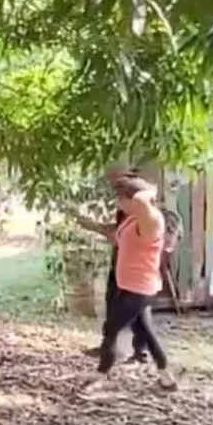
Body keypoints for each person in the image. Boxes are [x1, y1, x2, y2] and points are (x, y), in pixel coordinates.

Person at [88, 177, 176, 390]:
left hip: (139, 288)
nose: (118, 202)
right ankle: (167, 378)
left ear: (133, 199)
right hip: (131, 285)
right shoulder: (133, 218)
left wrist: (146, 190)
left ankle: (100, 378)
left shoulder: (151, 219)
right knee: (146, 332)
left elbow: (141, 199)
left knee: (110, 331)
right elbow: (120, 238)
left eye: (121, 198)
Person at [73, 164, 152, 365]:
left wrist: (93, 227)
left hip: (132, 267)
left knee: (124, 309)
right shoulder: (130, 202)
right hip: (125, 263)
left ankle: (118, 351)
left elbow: (118, 236)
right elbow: (119, 230)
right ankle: (127, 350)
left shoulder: (136, 203)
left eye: (114, 181)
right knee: (133, 310)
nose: (113, 188)